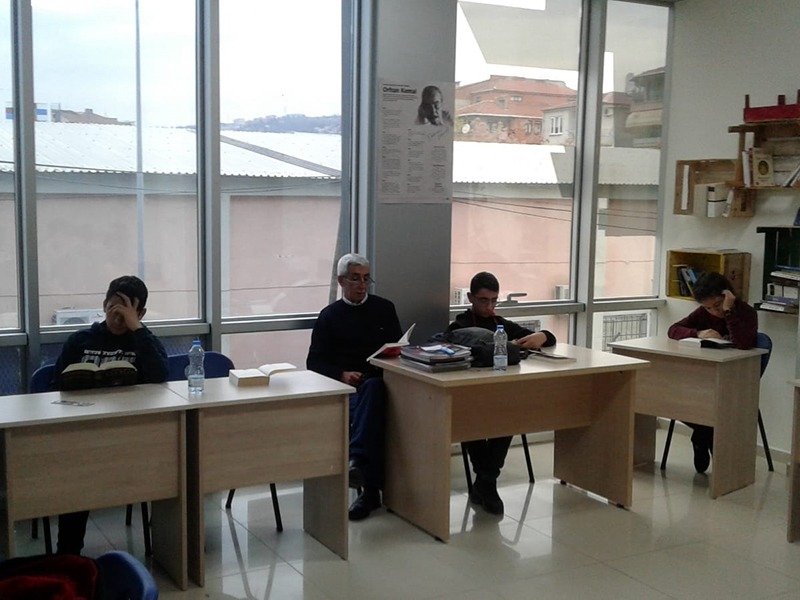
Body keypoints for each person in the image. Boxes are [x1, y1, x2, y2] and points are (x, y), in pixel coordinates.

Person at [51, 275, 169, 554]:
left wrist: (137, 328)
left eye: (126, 312)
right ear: (104, 306)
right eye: (113, 309)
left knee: (168, 461)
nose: (118, 318)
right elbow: (54, 387)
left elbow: (161, 376)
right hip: (83, 435)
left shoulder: (145, 342)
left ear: (140, 314)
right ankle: (68, 554)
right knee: (77, 475)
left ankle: (167, 540)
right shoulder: (80, 341)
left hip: (130, 436)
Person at [447, 271, 557, 515]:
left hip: (500, 393)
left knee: (509, 416)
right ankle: (487, 481)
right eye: (484, 301)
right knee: (471, 420)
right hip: (471, 395)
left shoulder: (500, 324)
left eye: (494, 301)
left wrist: (542, 336)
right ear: (470, 298)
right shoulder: (459, 327)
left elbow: (548, 338)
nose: (489, 307)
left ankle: (485, 481)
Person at [307, 253, 403, 521]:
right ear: (341, 281)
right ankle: (370, 491)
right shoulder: (329, 316)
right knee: (370, 406)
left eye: (366, 279)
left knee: (373, 391)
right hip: (347, 388)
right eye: (355, 279)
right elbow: (314, 362)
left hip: (383, 383)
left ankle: (357, 462)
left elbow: (398, 349)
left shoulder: (384, 308)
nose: (362, 285)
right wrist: (342, 374)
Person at [667, 271, 757, 473]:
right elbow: (673, 329)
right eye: (708, 308)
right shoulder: (703, 313)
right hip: (704, 378)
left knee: (715, 405)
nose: (715, 312)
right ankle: (704, 435)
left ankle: (700, 438)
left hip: (735, 380)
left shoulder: (746, 313)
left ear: (727, 295)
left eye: (717, 305)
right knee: (676, 398)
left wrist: (729, 311)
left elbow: (743, 343)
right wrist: (698, 333)